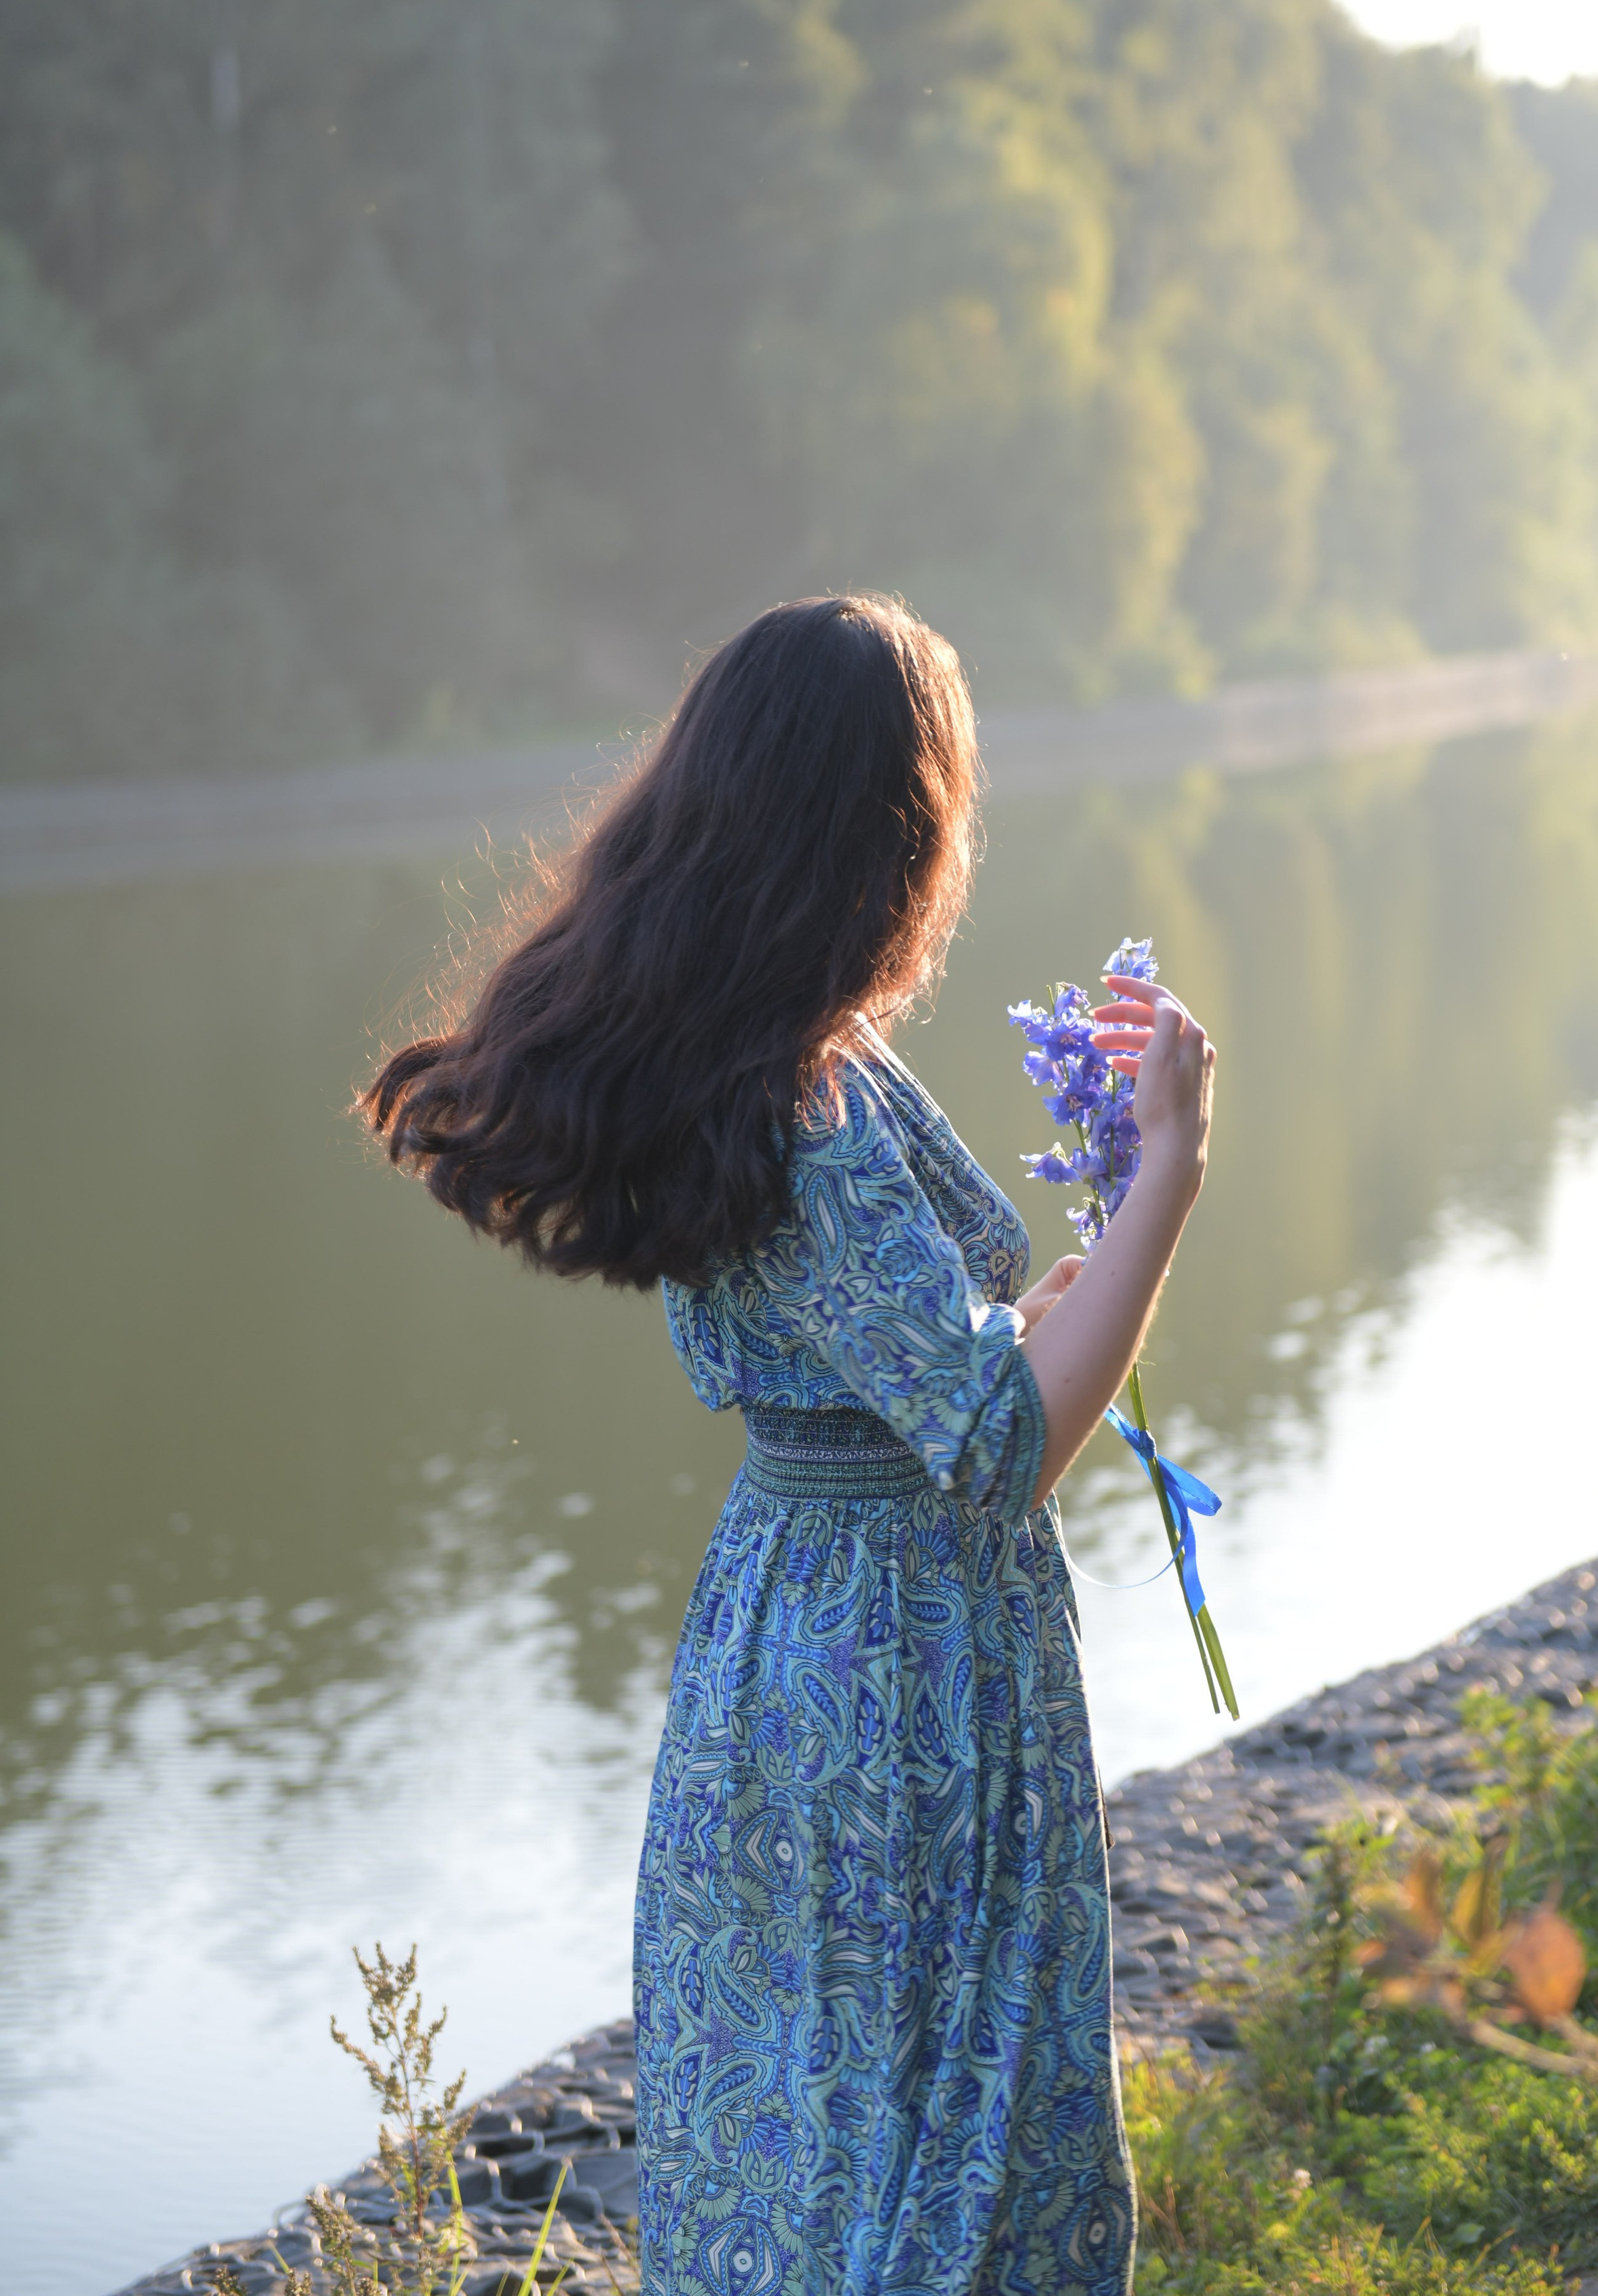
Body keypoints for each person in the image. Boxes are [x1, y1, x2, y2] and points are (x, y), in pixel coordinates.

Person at [363, 594, 1214, 2296]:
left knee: (813, 2123)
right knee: (933, 2127)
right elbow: (985, 1456)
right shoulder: (805, 1100)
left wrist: (1044, 1306)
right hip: (893, 1664)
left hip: (785, 1638)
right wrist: (1171, 1168)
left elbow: (895, 1373)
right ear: (891, 832)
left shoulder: (768, 1057)